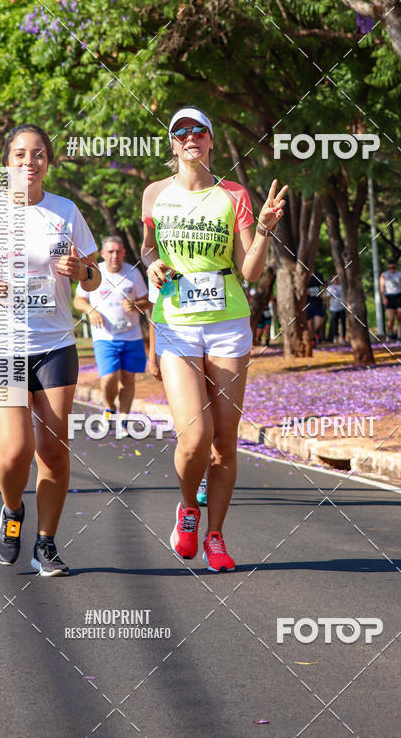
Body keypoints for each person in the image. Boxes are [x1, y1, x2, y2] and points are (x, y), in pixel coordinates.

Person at [141, 106, 287, 571]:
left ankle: (216, 537)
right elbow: (148, 248)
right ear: (172, 143)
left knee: (225, 439)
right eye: (181, 132)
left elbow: (249, 268)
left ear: (210, 141)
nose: (190, 138)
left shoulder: (235, 195)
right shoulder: (154, 194)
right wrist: (151, 265)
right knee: (195, 436)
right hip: (177, 322)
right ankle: (188, 510)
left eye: (198, 131)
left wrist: (264, 230)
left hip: (227, 323)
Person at [0, 124, 101, 576]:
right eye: (20, 155)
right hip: (5, 343)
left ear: (47, 162)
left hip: (55, 342)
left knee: (54, 452)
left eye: (37, 155)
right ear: (7, 162)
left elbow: (93, 276)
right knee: (15, 449)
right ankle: (13, 511)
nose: (29, 163)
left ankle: (47, 543)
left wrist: (80, 270)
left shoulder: (66, 211)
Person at [74, 235, 149, 431]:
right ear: (103, 253)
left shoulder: (132, 273)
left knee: (128, 380)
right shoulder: (95, 272)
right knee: (109, 378)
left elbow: (147, 300)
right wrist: (91, 311)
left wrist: (136, 305)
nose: (114, 256)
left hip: (132, 336)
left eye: (118, 251)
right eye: (110, 252)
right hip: (105, 337)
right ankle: (109, 408)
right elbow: (78, 300)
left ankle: (124, 419)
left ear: (124, 253)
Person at [380, 260, 401, 340]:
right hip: (389, 297)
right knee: (391, 318)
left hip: (399, 296)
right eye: (390, 268)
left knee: (399, 317)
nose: (392, 269)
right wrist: (383, 298)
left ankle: (399, 337)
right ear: (388, 267)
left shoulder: (400, 274)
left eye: (393, 267)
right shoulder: (384, 275)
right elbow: (382, 288)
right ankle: (390, 332)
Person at [306, 272, 326, 347]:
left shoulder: (318, 274)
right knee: (309, 323)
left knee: (319, 322)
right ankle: (313, 340)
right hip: (307, 303)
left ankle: (315, 333)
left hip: (318, 302)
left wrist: (322, 292)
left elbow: (324, 286)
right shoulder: (303, 274)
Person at [326, 274, 346, 343]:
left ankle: (343, 338)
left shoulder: (342, 287)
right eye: (334, 278)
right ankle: (335, 336)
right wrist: (328, 305)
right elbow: (327, 298)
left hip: (342, 307)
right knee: (335, 323)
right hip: (333, 308)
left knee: (343, 323)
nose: (335, 280)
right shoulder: (330, 287)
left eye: (336, 278)